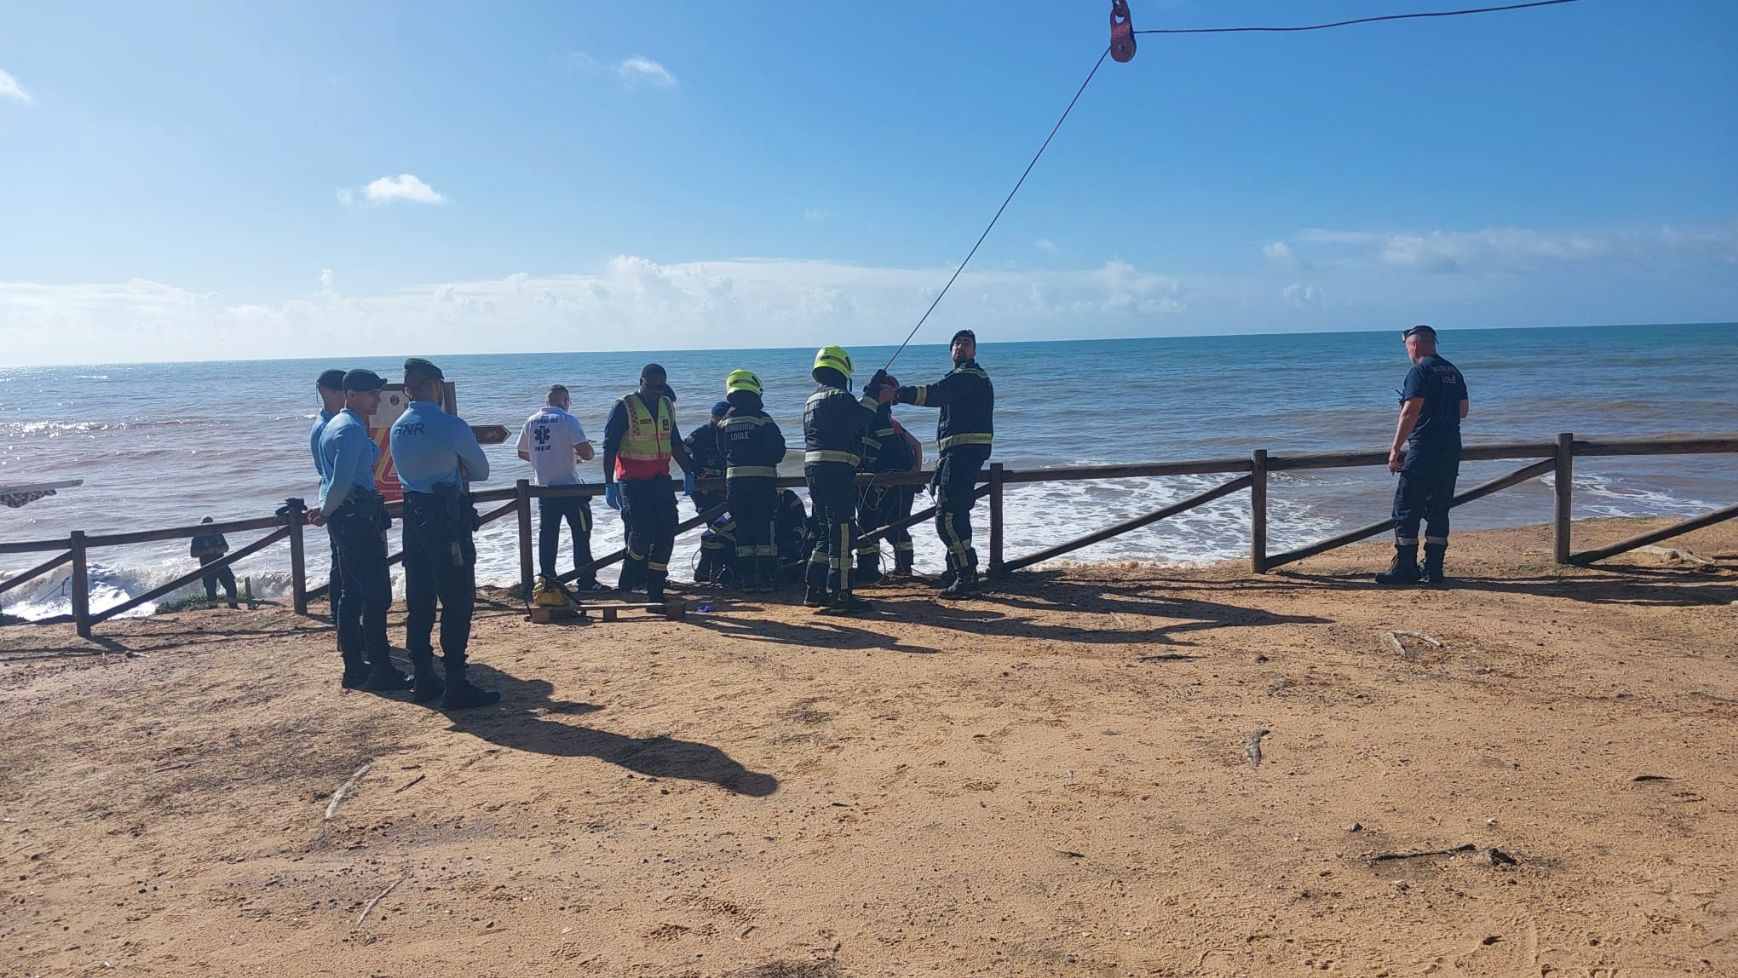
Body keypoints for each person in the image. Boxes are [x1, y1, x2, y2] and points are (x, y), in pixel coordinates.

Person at [389, 357, 499, 709]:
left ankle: (423, 677)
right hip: (445, 517)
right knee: (457, 600)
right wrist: (457, 465)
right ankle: (456, 681)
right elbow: (481, 470)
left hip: (413, 514)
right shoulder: (450, 425)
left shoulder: (399, 427)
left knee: (420, 600)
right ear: (435, 385)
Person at [317, 368, 411, 692]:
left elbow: (332, 477)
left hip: (347, 518)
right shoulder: (350, 430)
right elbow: (342, 480)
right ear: (352, 395)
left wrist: (327, 510)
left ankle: (355, 667)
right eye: (371, 393)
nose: (376, 398)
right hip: (356, 518)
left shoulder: (337, 426)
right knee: (375, 595)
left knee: (350, 594)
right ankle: (381, 668)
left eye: (377, 392)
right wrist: (327, 510)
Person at [892, 328, 994, 597]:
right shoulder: (961, 378)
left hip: (963, 455)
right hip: (957, 455)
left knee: (947, 517)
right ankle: (955, 570)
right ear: (950, 350)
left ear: (974, 351)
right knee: (957, 514)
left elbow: (934, 394)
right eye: (957, 343)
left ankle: (966, 576)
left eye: (967, 343)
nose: (961, 346)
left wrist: (897, 394)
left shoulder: (969, 376)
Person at [1376, 325, 1469, 586]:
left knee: (1406, 508)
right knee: (1439, 508)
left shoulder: (1419, 371)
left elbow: (1410, 411)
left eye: (1406, 346)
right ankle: (1434, 568)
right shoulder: (1452, 370)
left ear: (1414, 345)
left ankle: (1406, 567)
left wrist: (1395, 449)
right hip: (1451, 448)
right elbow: (1463, 411)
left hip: (1424, 448)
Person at [600, 364, 696, 605]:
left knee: (667, 531)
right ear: (641, 381)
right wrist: (608, 484)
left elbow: (674, 442)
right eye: (651, 386)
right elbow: (610, 446)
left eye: (660, 387)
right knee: (641, 534)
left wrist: (690, 472)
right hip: (632, 481)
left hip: (660, 479)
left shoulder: (666, 405)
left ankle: (655, 590)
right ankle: (630, 572)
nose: (656, 391)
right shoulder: (624, 406)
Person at [803, 346, 885, 612]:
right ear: (843, 369)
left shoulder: (812, 399)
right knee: (842, 531)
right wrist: (872, 392)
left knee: (825, 531)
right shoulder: (840, 395)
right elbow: (860, 420)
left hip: (814, 471)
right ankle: (841, 594)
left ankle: (814, 589)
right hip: (837, 471)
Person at [517, 385, 606, 602]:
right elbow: (586, 451)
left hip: (544, 489)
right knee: (582, 534)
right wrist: (587, 454)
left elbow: (521, 452)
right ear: (565, 401)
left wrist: (542, 462)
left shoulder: (531, 421)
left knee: (548, 537)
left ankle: (548, 581)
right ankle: (586, 579)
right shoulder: (567, 419)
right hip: (570, 488)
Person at [720, 369, 787, 593]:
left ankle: (746, 579)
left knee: (744, 530)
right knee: (763, 529)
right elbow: (778, 450)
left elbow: (721, 451)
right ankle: (766, 579)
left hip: (735, 483)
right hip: (762, 481)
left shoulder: (725, 421)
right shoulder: (762, 418)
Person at [855, 373, 922, 584]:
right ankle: (885, 568)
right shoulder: (882, 419)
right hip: (881, 482)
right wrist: (914, 473)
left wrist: (914, 474)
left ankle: (887, 569)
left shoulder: (883, 420)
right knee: (884, 524)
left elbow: (916, 446)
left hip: (888, 483)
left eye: (886, 389)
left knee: (880, 524)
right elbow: (916, 446)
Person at [310, 369, 347, 623]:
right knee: (344, 567)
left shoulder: (327, 423)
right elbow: (337, 476)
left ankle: (342, 620)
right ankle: (342, 620)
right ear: (332, 392)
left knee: (341, 564)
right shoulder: (327, 427)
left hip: (333, 499)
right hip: (340, 503)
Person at [684, 400, 730, 518]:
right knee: (709, 516)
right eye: (719, 418)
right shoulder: (701, 433)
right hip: (705, 484)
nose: (722, 422)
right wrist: (696, 470)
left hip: (725, 484)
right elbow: (682, 452)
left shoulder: (730, 431)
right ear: (713, 417)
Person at [190, 516, 239, 609]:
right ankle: (213, 608)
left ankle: (233, 605)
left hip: (221, 563)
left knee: (230, 584)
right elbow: (193, 553)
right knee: (210, 588)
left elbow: (227, 547)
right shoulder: (198, 537)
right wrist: (208, 551)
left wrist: (221, 549)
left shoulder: (218, 533)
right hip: (207, 565)